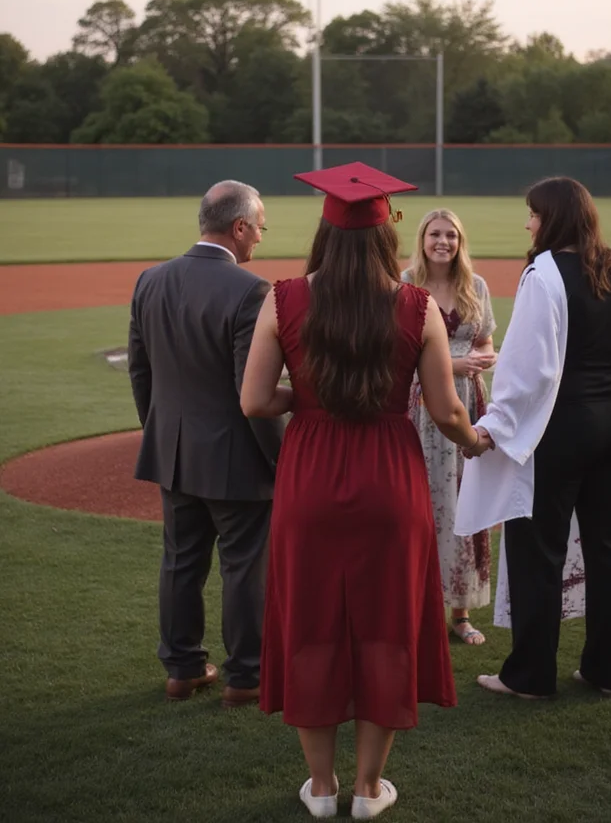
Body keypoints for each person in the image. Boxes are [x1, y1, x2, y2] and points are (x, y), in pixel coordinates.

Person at [241, 162, 481, 820]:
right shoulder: (417, 306)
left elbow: (256, 400)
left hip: (311, 476)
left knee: (312, 625)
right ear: (387, 238)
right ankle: (369, 789)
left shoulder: (284, 297)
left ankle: (321, 788)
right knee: (387, 627)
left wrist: (309, 400)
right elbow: (444, 410)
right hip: (390, 479)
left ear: (325, 232)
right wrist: (475, 442)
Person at [455, 176, 611, 699]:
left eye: (532, 213)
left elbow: (530, 369)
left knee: (537, 551)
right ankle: (608, 672)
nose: (527, 224)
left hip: (562, 430)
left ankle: (528, 677)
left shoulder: (543, 274)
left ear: (552, 218)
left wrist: (493, 428)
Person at [128, 180, 284, 706]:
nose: (260, 238)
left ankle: (182, 670)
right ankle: (246, 678)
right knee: (244, 568)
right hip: (235, 458)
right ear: (238, 227)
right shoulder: (251, 290)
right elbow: (252, 393)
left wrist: (161, 432)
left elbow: (140, 372)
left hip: (173, 453)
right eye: (259, 227)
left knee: (180, 561)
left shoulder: (150, 280)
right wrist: (280, 459)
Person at [402, 209, 497, 645]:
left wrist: (482, 358)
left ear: (460, 241)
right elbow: (396, 355)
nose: (443, 242)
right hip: (422, 403)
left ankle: (460, 613)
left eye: (451, 235)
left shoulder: (475, 287)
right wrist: (450, 364)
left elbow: (485, 340)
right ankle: (416, 610)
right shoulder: (405, 284)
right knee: (421, 501)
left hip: (469, 402)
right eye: (435, 234)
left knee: (464, 500)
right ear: (422, 239)